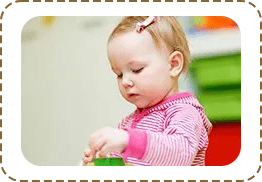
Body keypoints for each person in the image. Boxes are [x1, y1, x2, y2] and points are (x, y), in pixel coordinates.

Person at [82, 16, 212, 166]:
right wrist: (104, 157)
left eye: (137, 70)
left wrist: (127, 140)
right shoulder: (128, 123)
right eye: (119, 74)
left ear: (173, 64)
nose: (125, 81)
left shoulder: (184, 112)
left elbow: (180, 155)